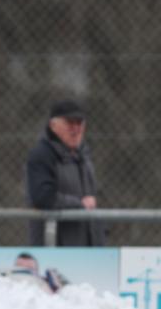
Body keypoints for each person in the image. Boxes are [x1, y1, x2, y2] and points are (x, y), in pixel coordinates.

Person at [25, 99, 105, 246]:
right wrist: (79, 204)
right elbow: (43, 197)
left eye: (79, 123)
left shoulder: (84, 156)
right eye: (70, 123)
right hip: (55, 248)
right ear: (53, 125)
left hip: (88, 247)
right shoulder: (42, 155)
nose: (76, 129)